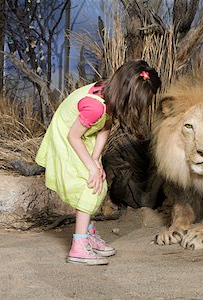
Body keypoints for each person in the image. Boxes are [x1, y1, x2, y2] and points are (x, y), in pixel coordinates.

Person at [36, 60, 162, 265]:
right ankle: (79, 246)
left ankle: (87, 233)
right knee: (90, 185)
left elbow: (106, 126)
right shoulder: (95, 107)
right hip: (68, 136)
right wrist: (91, 168)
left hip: (84, 136)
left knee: (98, 180)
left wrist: (96, 159)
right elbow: (73, 136)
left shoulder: (110, 93)